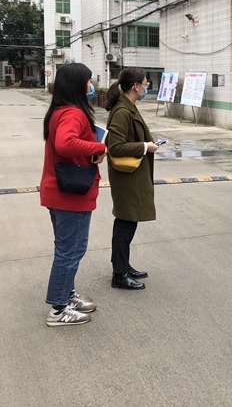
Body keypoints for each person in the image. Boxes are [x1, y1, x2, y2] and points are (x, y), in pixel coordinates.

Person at [41, 63, 108, 326]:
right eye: (89, 81)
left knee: (67, 249)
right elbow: (65, 143)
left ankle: (66, 295)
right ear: (78, 84)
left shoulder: (60, 110)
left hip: (60, 189)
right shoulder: (73, 113)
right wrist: (99, 148)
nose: (91, 86)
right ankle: (58, 310)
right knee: (70, 251)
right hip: (71, 193)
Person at [106, 67, 159, 289]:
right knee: (125, 223)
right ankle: (119, 274)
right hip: (127, 177)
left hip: (133, 175)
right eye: (145, 83)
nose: (147, 87)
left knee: (129, 222)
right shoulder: (122, 111)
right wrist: (145, 146)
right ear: (135, 86)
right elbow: (115, 146)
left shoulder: (129, 106)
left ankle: (123, 265)